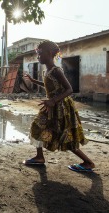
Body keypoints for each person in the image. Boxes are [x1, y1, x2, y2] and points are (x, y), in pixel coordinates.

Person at [23, 40, 95, 172]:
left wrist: (53, 100)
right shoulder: (48, 71)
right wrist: (34, 81)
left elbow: (69, 89)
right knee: (36, 127)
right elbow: (49, 85)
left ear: (50, 53)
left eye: (40, 54)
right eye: (37, 54)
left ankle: (88, 162)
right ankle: (39, 157)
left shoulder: (56, 70)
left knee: (65, 135)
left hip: (60, 107)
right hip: (51, 106)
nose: (38, 57)